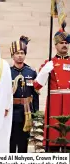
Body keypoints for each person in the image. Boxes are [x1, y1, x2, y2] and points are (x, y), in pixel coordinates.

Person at [33, 24, 70, 152]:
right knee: (53, 138)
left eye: (66, 42)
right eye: (61, 43)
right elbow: (37, 85)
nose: (64, 45)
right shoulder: (49, 63)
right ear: (55, 45)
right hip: (55, 104)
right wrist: (44, 72)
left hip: (69, 103)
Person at [10, 36, 39, 153]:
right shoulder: (8, 72)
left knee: (23, 142)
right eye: (17, 53)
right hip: (12, 110)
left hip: (26, 111)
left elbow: (35, 94)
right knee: (11, 142)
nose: (20, 55)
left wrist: (35, 113)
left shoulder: (31, 72)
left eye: (22, 53)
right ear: (13, 55)